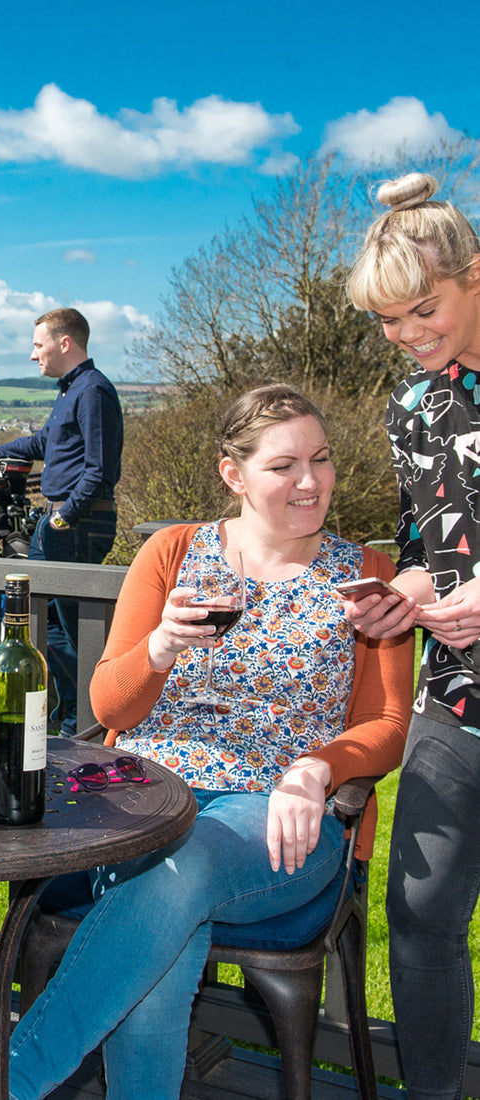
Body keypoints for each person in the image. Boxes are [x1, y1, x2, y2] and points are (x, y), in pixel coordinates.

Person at [6, 385, 412, 1100]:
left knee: (172, 873)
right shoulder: (173, 552)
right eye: (284, 465)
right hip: (148, 803)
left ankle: (13, 1080)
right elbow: (107, 703)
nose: (311, 481)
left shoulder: (370, 576)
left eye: (320, 460)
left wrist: (318, 769)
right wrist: (160, 646)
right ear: (234, 474)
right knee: (168, 917)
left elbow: (386, 725)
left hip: (279, 816)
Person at [345, 171, 480, 1100]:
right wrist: (403, 591)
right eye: (389, 320)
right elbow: (426, 540)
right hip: (456, 693)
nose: (407, 333)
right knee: (421, 916)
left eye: (422, 308)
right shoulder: (413, 406)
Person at [0, 308, 122, 735]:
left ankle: (87, 724)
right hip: (62, 521)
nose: (33, 354)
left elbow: (100, 469)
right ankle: (71, 717)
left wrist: (62, 519)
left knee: (74, 630)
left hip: (76, 524)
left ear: (65, 343)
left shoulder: (93, 391)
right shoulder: (71, 391)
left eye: (38, 344)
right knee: (48, 623)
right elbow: (44, 443)